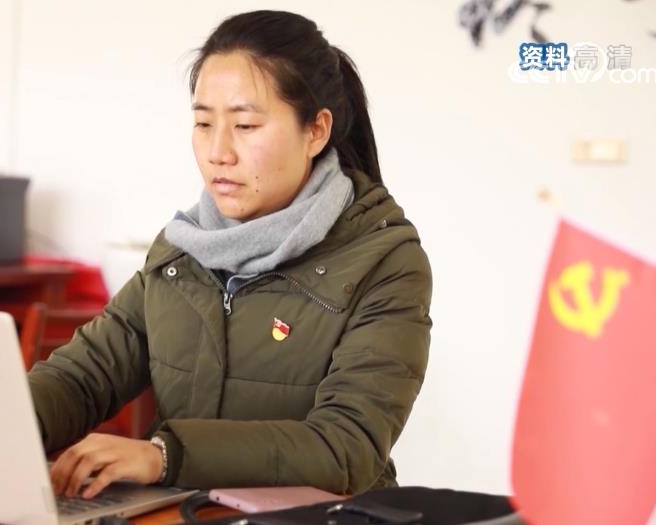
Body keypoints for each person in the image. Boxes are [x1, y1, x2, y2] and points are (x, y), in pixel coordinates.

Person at [28, 9, 432, 500]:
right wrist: (1, 423)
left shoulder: (385, 261)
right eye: (203, 123)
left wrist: (164, 456)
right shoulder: (184, 247)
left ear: (315, 131)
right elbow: (84, 375)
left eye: (245, 125)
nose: (218, 152)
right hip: (186, 510)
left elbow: (346, 448)